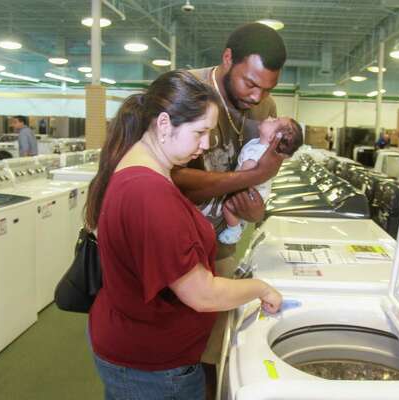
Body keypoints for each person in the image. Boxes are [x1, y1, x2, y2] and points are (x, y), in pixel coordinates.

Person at [85, 70, 283, 400]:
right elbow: (201, 294)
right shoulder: (149, 193)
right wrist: (260, 288)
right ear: (164, 125)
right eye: (200, 132)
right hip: (152, 368)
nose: (205, 144)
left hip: (138, 347)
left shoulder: (144, 170)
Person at [171, 22, 287, 387]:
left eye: (267, 87)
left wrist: (258, 212)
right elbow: (174, 181)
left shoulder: (265, 106)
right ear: (226, 59)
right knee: (176, 339)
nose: (257, 97)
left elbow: (263, 177)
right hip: (176, 241)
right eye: (249, 83)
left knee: (216, 340)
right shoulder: (187, 92)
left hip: (221, 238)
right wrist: (250, 178)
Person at [219, 117, 303, 244]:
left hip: (252, 193)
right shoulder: (257, 143)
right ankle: (240, 222)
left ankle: (234, 229)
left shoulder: (259, 153)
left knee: (228, 206)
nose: (270, 118)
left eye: (274, 121)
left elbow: (244, 176)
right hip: (255, 190)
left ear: (273, 138)